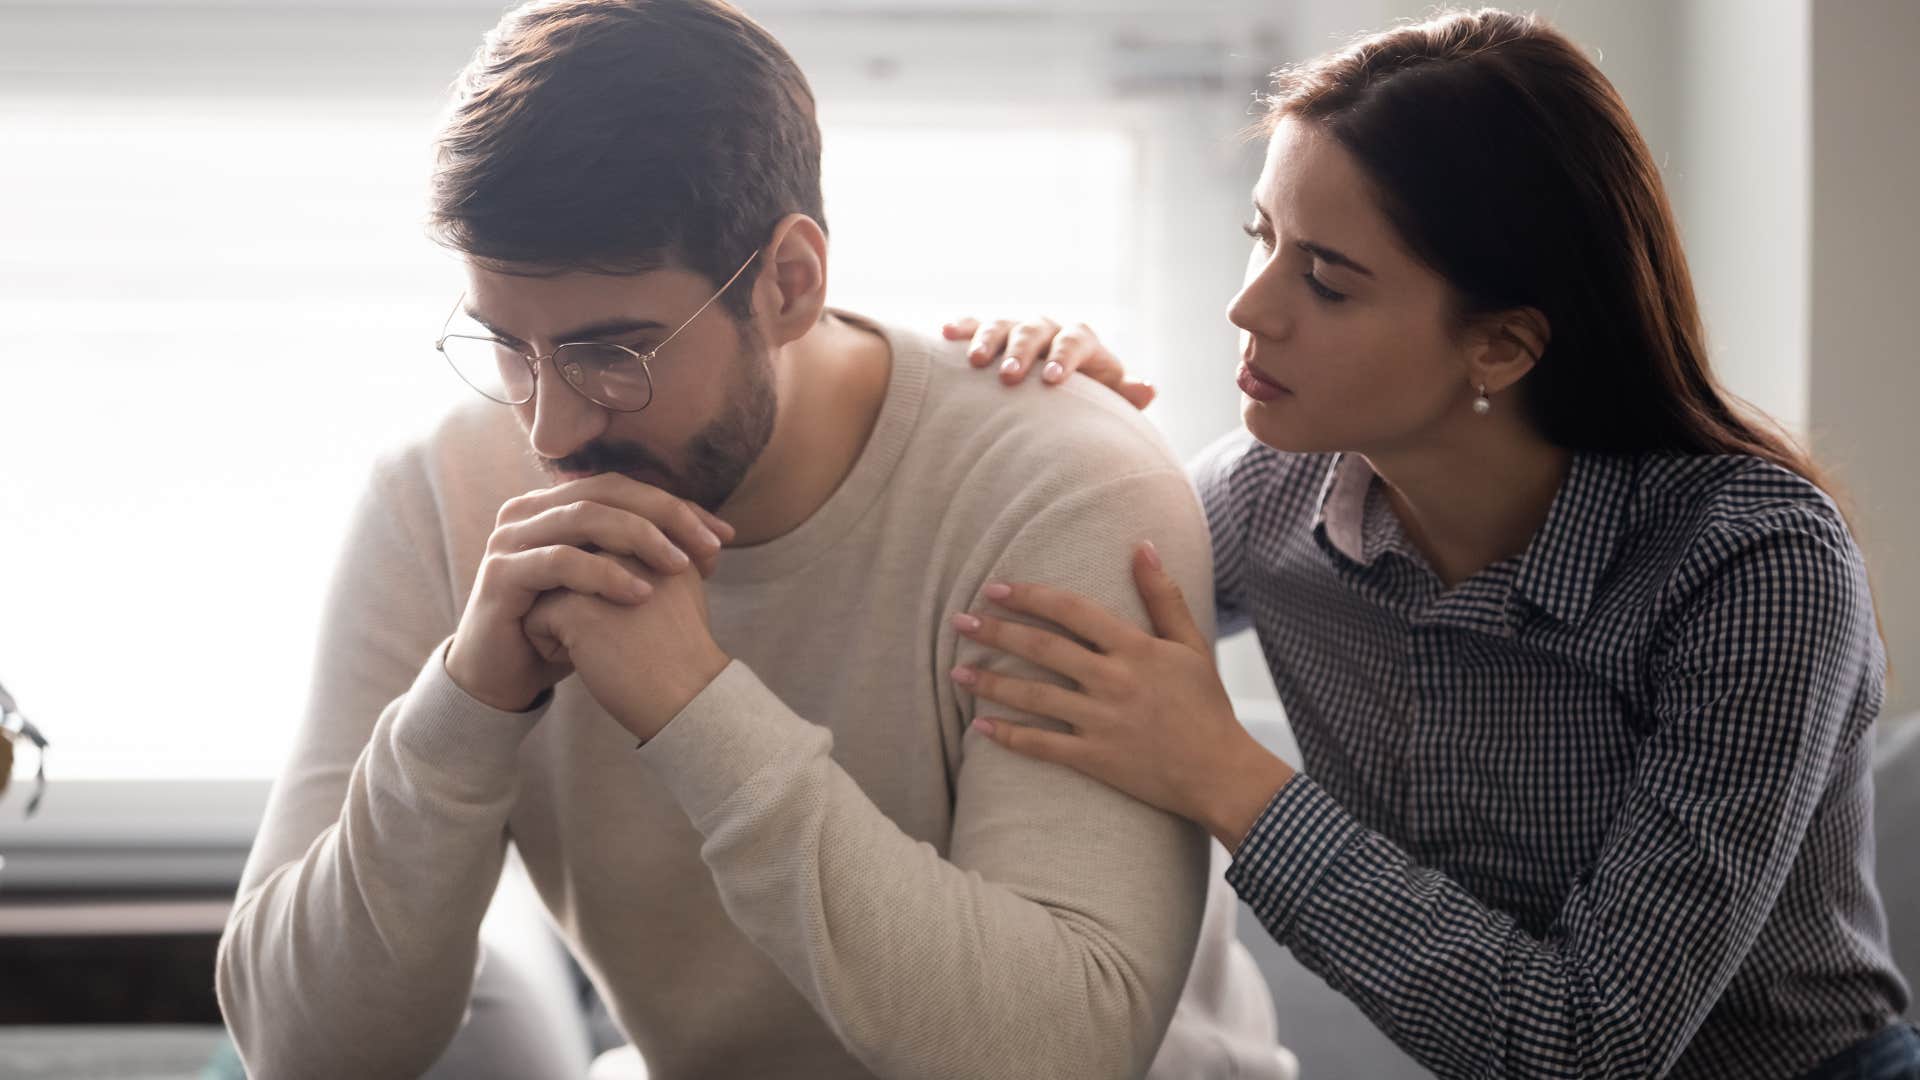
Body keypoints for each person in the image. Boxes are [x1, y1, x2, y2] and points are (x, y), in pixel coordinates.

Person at [212, 1, 1288, 1077]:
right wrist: (467, 703)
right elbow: (299, 1054)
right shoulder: (439, 497)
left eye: (613, 353)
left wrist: (696, 707)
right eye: (508, 347)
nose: (551, 428)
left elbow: (1058, 1053)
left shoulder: (1062, 486)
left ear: (788, 283)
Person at [944, 8, 1917, 1078]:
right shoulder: (1271, 494)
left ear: (1500, 345)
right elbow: (1037, 591)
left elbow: (1589, 1049)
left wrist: (1221, 770)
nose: (1248, 305)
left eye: (1325, 279)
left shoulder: (1755, 565)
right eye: (1260, 237)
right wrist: (1066, 424)